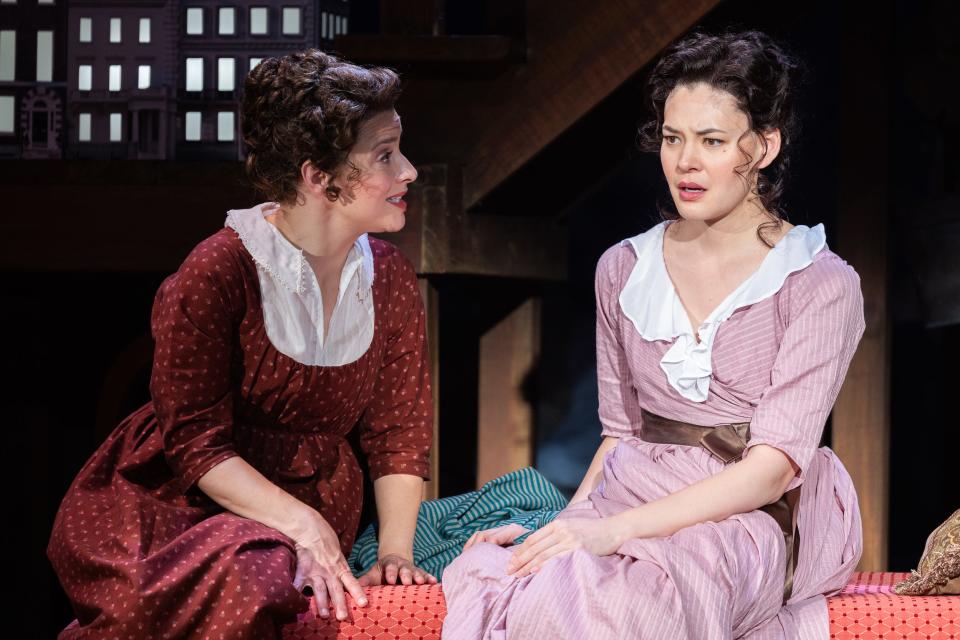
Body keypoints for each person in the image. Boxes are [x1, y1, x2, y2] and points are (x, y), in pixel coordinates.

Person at [442, 30, 864, 639]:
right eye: (672, 139)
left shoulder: (819, 281)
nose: (685, 162)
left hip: (748, 510)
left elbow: (772, 469)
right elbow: (619, 437)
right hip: (631, 489)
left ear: (765, 146)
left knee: (634, 598)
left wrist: (617, 531)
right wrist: (572, 522)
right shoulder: (622, 268)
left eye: (712, 142)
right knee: (539, 584)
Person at [47, 49, 436, 640]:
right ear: (318, 177)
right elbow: (196, 444)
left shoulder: (389, 278)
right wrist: (304, 526)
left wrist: (395, 552)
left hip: (310, 511)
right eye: (385, 155)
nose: (408, 171)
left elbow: (398, 431)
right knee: (249, 575)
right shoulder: (221, 270)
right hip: (183, 508)